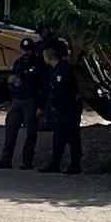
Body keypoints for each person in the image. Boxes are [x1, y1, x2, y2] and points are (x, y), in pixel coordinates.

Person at [0, 37, 43, 169]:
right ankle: (6, 159)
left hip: (31, 100)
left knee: (30, 132)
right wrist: (10, 82)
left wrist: (41, 106)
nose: (26, 53)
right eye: (24, 50)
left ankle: (27, 160)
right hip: (17, 100)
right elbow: (14, 78)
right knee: (10, 129)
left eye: (28, 50)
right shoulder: (18, 63)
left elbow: (43, 86)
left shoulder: (38, 64)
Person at [39, 40, 82, 175]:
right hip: (61, 110)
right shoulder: (56, 70)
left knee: (72, 136)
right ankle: (54, 162)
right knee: (58, 137)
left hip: (68, 109)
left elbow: (62, 91)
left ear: (48, 55)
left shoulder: (62, 69)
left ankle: (75, 164)